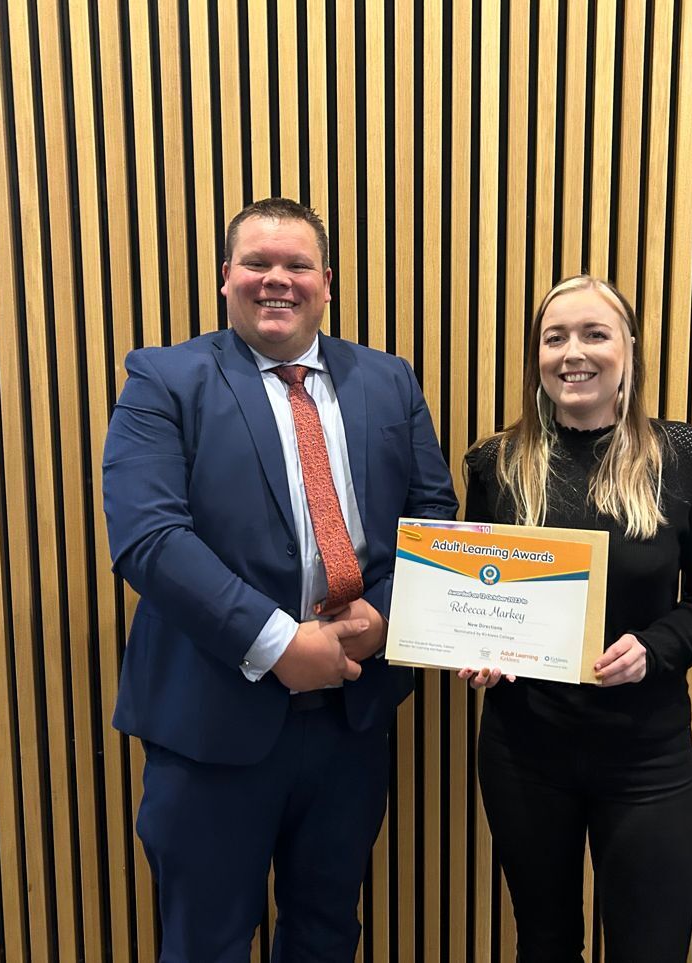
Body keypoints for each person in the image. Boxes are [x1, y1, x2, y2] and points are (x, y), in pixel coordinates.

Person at [102, 198, 457, 962]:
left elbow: (435, 519)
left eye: (296, 265)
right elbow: (149, 539)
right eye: (257, 263)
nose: (277, 280)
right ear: (226, 277)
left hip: (350, 726)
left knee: (328, 933)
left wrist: (390, 616)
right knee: (207, 944)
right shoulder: (163, 379)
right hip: (210, 726)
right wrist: (278, 643)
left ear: (326, 283)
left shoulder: (389, 381)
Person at [459, 275, 692, 962]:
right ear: (537, 356)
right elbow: (476, 591)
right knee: (547, 942)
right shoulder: (496, 464)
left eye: (594, 333)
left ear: (629, 351)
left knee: (650, 948)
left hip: (646, 754)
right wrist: (478, 647)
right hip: (524, 753)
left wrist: (656, 646)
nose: (572, 352)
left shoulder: (684, 459)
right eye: (554, 337)